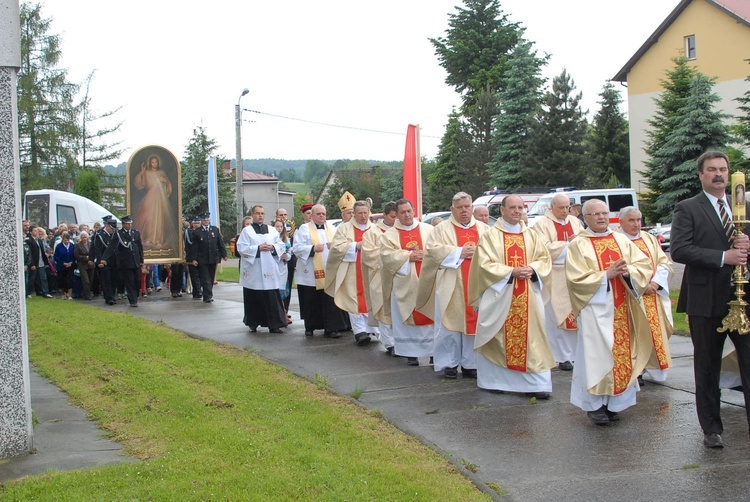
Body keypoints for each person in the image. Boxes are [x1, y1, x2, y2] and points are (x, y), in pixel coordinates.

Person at [671, 150, 750, 449]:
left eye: (723, 169)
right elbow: (679, 250)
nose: (719, 174)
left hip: (742, 300)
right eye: (712, 170)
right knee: (707, 366)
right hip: (706, 301)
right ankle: (712, 429)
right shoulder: (688, 208)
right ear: (701, 175)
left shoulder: (744, 207)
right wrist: (723, 256)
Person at [565, 199, 653, 425]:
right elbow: (575, 281)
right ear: (585, 218)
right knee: (595, 357)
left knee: (622, 356)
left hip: (623, 310)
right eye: (595, 214)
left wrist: (627, 272)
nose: (601, 217)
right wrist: (606, 275)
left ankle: (616, 404)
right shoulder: (578, 245)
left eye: (604, 213)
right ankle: (595, 405)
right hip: (595, 311)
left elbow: (643, 265)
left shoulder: (621, 239)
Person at [467, 195, 554, 398]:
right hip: (501, 294)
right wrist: (510, 272)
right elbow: (483, 265)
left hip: (528, 295)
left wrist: (532, 269)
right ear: (503, 211)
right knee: (498, 336)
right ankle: (495, 380)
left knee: (533, 337)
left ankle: (536, 385)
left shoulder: (531, 235)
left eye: (520, 207)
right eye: (512, 207)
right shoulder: (490, 236)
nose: (517, 211)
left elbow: (544, 259)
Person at [417, 192, 489, 379]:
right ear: (452, 209)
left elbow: (494, 252)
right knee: (448, 326)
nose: (464, 211)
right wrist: (459, 252)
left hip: (477, 284)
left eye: (467, 206)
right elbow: (432, 251)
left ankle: (470, 364)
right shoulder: (441, 229)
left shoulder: (484, 228)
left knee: (474, 326)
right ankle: (448, 364)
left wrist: (479, 252)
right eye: (460, 207)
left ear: (472, 207)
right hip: (451, 283)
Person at [618, 206, 673, 383]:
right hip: (630, 296)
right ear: (621, 222)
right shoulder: (617, 240)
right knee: (634, 333)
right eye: (631, 220)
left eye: (638, 220)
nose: (636, 224)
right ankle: (636, 370)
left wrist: (655, 283)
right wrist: (641, 285)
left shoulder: (649, 238)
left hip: (652, 296)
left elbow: (664, 262)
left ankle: (654, 367)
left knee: (654, 332)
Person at [532, 193, 584, 371]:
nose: (565, 211)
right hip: (554, 274)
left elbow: (584, 241)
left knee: (576, 314)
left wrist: (575, 244)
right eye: (561, 207)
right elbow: (542, 248)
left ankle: (576, 354)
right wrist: (568, 244)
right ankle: (560, 356)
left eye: (567, 207)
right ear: (551, 207)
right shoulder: (542, 224)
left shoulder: (575, 222)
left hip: (575, 273)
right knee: (556, 316)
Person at [380, 199, 435, 366]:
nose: (407, 215)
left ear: (414, 210)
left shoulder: (429, 230)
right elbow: (386, 257)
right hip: (405, 283)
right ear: (396, 214)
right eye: (403, 212)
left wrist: (426, 254)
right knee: (406, 317)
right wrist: (407, 256)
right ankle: (411, 354)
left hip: (428, 281)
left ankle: (433, 352)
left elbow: (438, 249)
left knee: (431, 316)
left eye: (409, 211)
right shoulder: (389, 235)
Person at [325, 200, 378, 346]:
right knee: (353, 299)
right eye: (359, 213)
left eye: (365, 213)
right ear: (353, 213)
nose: (363, 216)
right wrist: (355, 246)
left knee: (371, 298)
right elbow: (336, 247)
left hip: (371, 269)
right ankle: (360, 332)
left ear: (369, 213)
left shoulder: (374, 228)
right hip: (352, 270)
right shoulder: (344, 228)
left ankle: (373, 329)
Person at [293, 204, 348, 337]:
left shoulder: (333, 229)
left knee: (329, 300)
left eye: (323, 213)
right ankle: (310, 326)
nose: (322, 216)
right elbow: (296, 248)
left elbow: (342, 245)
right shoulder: (304, 229)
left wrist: (333, 246)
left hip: (329, 271)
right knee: (311, 300)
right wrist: (312, 249)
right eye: (318, 214)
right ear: (311, 216)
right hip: (311, 273)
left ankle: (331, 328)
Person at [236, 205, 287, 333]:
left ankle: (274, 324)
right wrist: (257, 248)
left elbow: (281, 245)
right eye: (258, 213)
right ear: (252, 215)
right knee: (254, 296)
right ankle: (253, 322)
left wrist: (273, 247)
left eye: (262, 213)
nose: (260, 216)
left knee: (271, 297)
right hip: (255, 270)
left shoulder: (272, 230)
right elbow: (241, 248)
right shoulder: (247, 231)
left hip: (269, 268)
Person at [361, 201, 398, 354]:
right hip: (380, 276)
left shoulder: (401, 230)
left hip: (400, 276)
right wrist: (391, 256)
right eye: (392, 217)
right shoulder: (372, 233)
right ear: (384, 215)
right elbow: (368, 254)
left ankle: (401, 341)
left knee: (398, 309)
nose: (395, 220)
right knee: (383, 308)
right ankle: (390, 343)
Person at [101, 215, 144, 307]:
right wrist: (104, 258)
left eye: (130, 224)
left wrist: (141, 259)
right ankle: (133, 300)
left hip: (135, 260)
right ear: (124, 224)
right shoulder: (119, 234)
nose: (130, 226)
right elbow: (111, 246)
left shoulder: (135, 233)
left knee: (137, 281)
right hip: (126, 262)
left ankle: (135, 295)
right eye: (128, 224)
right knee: (129, 281)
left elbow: (139, 247)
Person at [133, 154, 175, 248]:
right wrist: (142, 173)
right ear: (150, 163)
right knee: (150, 218)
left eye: (156, 162)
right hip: (150, 198)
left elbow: (168, 185)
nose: (154, 164)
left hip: (160, 199)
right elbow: (141, 184)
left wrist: (165, 181)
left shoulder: (161, 172)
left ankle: (158, 240)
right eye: (152, 162)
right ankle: (149, 238)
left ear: (158, 163)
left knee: (159, 219)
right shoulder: (147, 172)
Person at [187, 212, 227, 303]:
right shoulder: (197, 232)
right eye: (204, 220)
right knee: (205, 278)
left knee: (211, 277)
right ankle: (207, 296)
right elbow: (194, 247)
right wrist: (193, 259)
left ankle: (208, 293)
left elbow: (220, 243)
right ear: (201, 221)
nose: (206, 221)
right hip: (202, 259)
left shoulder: (215, 230)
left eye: (207, 220)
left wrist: (224, 254)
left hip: (213, 258)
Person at [92, 216, 119, 305]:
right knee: (106, 279)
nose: (112, 230)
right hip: (104, 261)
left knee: (114, 279)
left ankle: (113, 295)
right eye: (111, 228)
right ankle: (109, 297)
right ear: (107, 226)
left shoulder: (115, 234)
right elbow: (97, 249)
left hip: (114, 260)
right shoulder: (99, 234)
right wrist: (100, 261)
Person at [276, 207, 296, 315]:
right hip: (277, 265)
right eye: (281, 215)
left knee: (287, 289)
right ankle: (280, 310)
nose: (283, 217)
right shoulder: (273, 230)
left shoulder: (291, 230)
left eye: (285, 215)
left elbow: (292, 248)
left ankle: (286, 310)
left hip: (289, 263)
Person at [273, 218, 293, 323]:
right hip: (275, 266)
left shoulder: (286, 239)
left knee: (283, 289)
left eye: (281, 226)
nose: (279, 229)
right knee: (276, 290)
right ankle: (281, 313)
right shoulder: (271, 238)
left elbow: (290, 252)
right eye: (277, 226)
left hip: (283, 266)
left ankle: (284, 312)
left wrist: (286, 256)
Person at [26, 225, 53, 299]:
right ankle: (29, 292)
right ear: (31, 232)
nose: (37, 232)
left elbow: (42, 251)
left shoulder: (40, 240)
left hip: (41, 262)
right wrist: (31, 264)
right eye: (35, 230)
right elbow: (30, 253)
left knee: (43, 278)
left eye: (37, 230)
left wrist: (46, 262)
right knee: (32, 278)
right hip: (34, 262)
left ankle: (45, 292)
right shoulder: (29, 240)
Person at [54, 232, 75, 300]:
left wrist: (71, 262)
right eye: (65, 240)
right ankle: (63, 294)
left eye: (68, 240)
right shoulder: (59, 246)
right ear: (63, 239)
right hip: (61, 266)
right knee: (62, 280)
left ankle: (69, 294)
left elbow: (74, 255)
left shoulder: (72, 245)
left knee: (70, 280)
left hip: (70, 266)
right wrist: (63, 263)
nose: (67, 241)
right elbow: (56, 257)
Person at [185, 216, 202, 298]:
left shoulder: (203, 231)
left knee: (201, 275)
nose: (196, 225)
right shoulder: (188, 232)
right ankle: (198, 291)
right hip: (191, 256)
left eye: (198, 223)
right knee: (194, 275)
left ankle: (197, 291)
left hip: (201, 256)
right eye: (195, 223)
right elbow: (189, 243)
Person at [74, 231, 95, 300]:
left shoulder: (91, 244)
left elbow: (94, 252)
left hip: (91, 264)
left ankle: (85, 293)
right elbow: (76, 255)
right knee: (86, 281)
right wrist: (85, 258)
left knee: (91, 280)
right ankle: (87, 295)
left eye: (85, 237)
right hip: (82, 265)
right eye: (83, 237)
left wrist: (91, 259)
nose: (84, 239)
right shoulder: (77, 245)